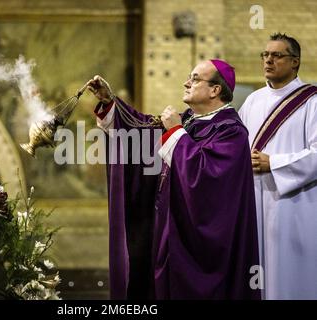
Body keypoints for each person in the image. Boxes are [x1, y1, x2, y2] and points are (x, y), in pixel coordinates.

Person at [87, 59, 260, 299]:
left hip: (196, 247)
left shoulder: (230, 131)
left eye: (195, 78)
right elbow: (140, 132)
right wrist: (110, 103)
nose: (186, 82)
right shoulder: (188, 120)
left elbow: (207, 179)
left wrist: (176, 133)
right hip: (167, 230)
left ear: (215, 90)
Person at [238, 33, 317, 300]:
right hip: (255, 199)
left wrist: (275, 163)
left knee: (291, 273)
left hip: (294, 203)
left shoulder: (312, 101)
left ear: (294, 62)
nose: (268, 60)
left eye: (277, 55)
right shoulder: (253, 101)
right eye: (265, 55)